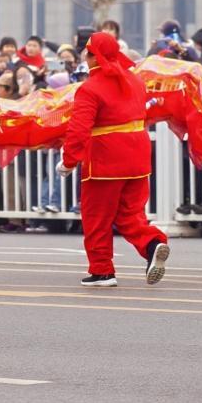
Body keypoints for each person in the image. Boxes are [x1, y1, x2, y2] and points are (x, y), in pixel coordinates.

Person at [58, 32, 169, 288]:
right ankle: (152, 244)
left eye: (88, 54)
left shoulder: (90, 88)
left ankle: (102, 271)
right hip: (138, 155)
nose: (85, 59)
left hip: (105, 159)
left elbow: (79, 129)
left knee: (97, 217)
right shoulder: (135, 81)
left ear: (95, 57)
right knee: (131, 213)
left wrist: (69, 161)